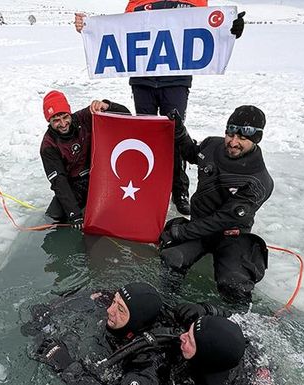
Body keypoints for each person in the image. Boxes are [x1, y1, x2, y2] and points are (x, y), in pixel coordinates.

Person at [74, 4, 247, 216]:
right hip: (142, 81)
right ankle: (146, 186)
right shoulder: (135, 3)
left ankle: (179, 190)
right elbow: (119, 30)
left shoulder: (193, 1)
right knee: (145, 136)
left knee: (175, 136)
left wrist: (230, 29)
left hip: (175, 80)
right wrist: (89, 28)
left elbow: (207, 24)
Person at [27, 282, 249, 385]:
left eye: (120, 310)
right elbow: (97, 294)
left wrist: (68, 367)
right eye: (115, 302)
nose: (110, 310)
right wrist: (205, 309)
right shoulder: (180, 322)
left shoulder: (151, 360)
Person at [158, 105, 273, 306]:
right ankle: (167, 305)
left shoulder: (259, 181)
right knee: (172, 258)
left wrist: (182, 233)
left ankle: (236, 321)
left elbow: (223, 220)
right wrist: (179, 129)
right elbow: (191, 153)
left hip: (231, 236)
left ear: (256, 140)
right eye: (230, 134)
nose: (233, 142)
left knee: (233, 284)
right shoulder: (212, 146)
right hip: (200, 229)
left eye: (242, 139)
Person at [39, 91, 130, 228]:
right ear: (49, 121)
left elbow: (127, 115)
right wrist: (74, 214)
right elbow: (59, 182)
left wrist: (107, 105)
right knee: (53, 216)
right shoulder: (48, 146)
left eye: (65, 117)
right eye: (56, 120)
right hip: (75, 186)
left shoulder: (85, 116)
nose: (63, 124)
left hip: (102, 178)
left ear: (70, 114)